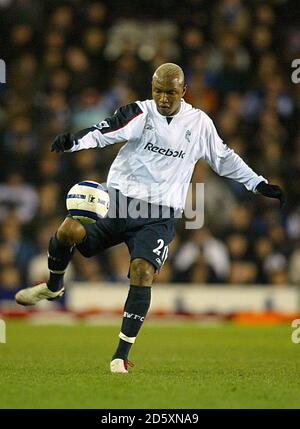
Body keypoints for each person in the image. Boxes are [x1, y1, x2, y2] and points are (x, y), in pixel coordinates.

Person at [15, 63, 285, 373]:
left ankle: (120, 356)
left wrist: (257, 183)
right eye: (158, 91)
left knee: (142, 271)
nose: (164, 98)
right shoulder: (140, 113)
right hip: (117, 202)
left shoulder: (199, 123)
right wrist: (75, 141)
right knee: (68, 230)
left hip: (158, 215)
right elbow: (106, 131)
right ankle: (53, 286)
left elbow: (224, 157)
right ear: (151, 89)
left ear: (183, 91)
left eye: (170, 92)